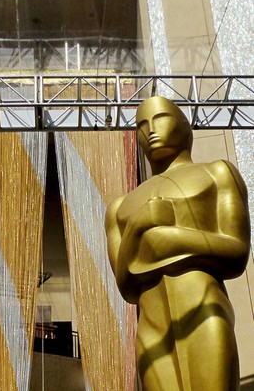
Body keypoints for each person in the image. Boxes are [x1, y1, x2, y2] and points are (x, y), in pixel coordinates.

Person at [105, 96, 250, 390]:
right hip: (152, 327)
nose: (150, 130)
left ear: (184, 125)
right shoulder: (120, 207)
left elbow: (237, 251)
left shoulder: (217, 173)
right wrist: (138, 225)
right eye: (142, 125)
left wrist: (171, 239)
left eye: (160, 119)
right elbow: (126, 286)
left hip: (203, 309)